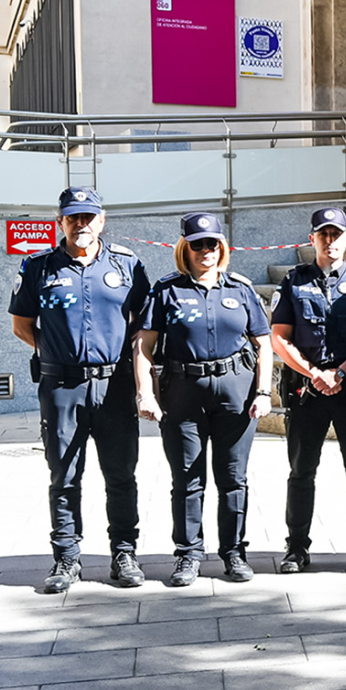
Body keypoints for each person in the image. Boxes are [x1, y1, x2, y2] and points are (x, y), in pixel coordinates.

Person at [9, 187, 150, 593]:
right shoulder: (39, 266)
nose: (81, 224)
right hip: (61, 386)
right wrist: (54, 348)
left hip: (114, 384)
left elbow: (143, 324)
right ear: (62, 222)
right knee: (64, 474)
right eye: (73, 218)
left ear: (101, 221)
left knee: (121, 474)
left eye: (88, 217)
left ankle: (124, 554)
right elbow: (21, 325)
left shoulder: (126, 266)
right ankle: (66, 559)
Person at [133, 213, 274, 587]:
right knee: (187, 479)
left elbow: (264, 344)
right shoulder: (166, 291)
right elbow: (143, 346)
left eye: (212, 244)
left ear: (222, 248)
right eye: (198, 244)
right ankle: (188, 555)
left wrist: (263, 391)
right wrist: (145, 393)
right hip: (183, 394)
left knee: (233, 478)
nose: (206, 251)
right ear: (185, 248)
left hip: (235, 393)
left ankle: (233, 553)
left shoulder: (241, 289)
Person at [267, 207, 346, 574]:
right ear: (312, 239)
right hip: (306, 390)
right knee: (301, 471)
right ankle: (296, 548)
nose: (330, 241)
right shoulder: (294, 281)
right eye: (323, 235)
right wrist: (314, 372)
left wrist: (341, 373)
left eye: (336, 234)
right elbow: (279, 338)